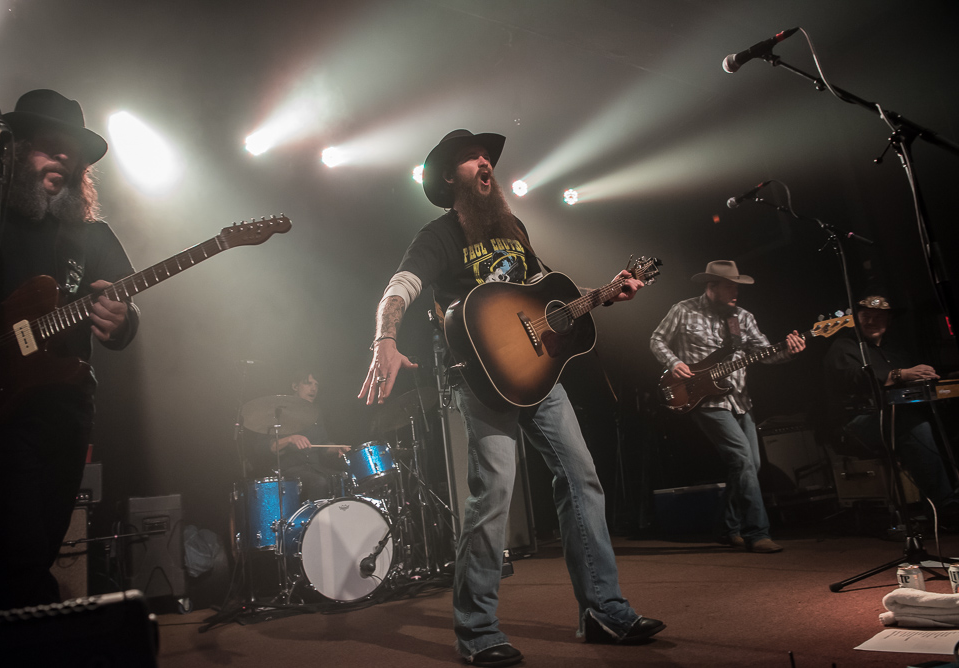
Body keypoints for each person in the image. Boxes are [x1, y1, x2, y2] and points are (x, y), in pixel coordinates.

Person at [358, 129, 664, 668]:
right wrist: (384, 339)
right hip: (478, 379)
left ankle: (602, 609)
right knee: (493, 492)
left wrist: (603, 294)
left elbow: (545, 294)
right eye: (473, 158)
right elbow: (398, 288)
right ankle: (477, 632)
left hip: (540, 378)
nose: (486, 163)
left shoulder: (514, 228)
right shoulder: (439, 235)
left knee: (582, 478)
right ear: (452, 176)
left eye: (488, 157)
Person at [0, 89, 139, 611]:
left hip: (50, 420)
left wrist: (122, 319)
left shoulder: (92, 238)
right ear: (10, 148)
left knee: (24, 561)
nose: (64, 158)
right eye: (49, 145)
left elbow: (124, 319)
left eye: (73, 152)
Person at [649, 261, 805, 554]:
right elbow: (657, 339)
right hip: (705, 399)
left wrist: (788, 351)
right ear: (712, 287)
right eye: (730, 286)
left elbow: (764, 355)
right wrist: (675, 363)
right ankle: (757, 532)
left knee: (750, 465)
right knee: (743, 460)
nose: (736, 291)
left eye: (737, 286)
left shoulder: (742, 317)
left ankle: (726, 527)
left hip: (740, 400)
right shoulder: (683, 310)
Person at [823, 294, 957, 511]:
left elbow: (913, 378)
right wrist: (899, 374)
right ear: (856, 318)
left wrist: (941, 376)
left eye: (879, 316)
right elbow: (855, 378)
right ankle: (944, 506)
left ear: (889, 320)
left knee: (943, 419)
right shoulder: (843, 346)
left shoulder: (895, 348)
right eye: (866, 316)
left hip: (894, 416)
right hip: (854, 425)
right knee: (913, 424)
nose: (871, 321)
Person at [254, 370, 347, 501]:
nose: (313, 388)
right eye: (308, 384)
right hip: (289, 472)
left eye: (316, 385)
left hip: (315, 468)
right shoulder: (279, 412)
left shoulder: (316, 413)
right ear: (295, 386)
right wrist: (290, 439)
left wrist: (336, 448)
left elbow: (323, 445)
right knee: (319, 482)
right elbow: (262, 447)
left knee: (344, 479)